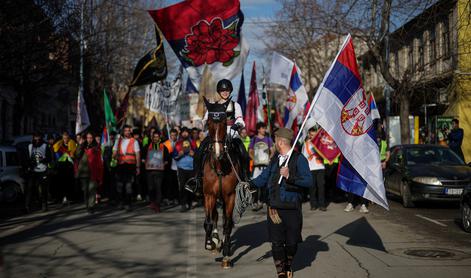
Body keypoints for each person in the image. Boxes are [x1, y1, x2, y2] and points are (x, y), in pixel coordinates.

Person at [250, 128, 311, 278]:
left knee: (291, 243)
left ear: (281, 141)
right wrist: (248, 184)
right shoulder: (274, 159)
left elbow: (309, 181)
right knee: (276, 242)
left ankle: (288, 263)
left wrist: (290, 176)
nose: (275, 143)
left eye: (276, 140)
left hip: (292, 208)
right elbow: (263, 178)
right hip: (274, 208)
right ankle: (281, 272)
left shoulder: (299, 159)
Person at [194, 79, 250, 188]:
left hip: (231, 135)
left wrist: (236, 126)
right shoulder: (212, 106)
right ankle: (196, 178)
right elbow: (205, 120)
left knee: (244, 153)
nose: (225, 92)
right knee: (199, 152)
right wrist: (204, 124)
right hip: (215, 136)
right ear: (219, 92)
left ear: (230, 91)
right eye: (222, 90)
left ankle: (246, 178)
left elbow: (240, 120)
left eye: (227, 90)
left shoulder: (235, 105)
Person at [113, 125, 141, 211]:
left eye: (129, 130)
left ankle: (128, 204)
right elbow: (114, 153)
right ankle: (121, 202)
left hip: (130, 166)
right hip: (120, 165)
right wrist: (114, 154)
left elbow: (137, 155)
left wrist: (138, 167)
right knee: (120, 186)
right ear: (123, 131)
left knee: (128, 186)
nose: (127, 132)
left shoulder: (134, 141)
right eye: (126, 130)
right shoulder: (118, 141)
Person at [75, 131, 103, 213]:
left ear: (93, 138)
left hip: (93, 171)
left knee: (92, 189)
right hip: (84, 171)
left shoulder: (96, 147)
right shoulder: (82, 146)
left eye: (90, 138)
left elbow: (98, 160)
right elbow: (77, 155)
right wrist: (80, 145)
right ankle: (87, 204)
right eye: (87, 138)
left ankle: (91, 206)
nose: (89, 139)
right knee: (85, 190)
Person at [249, 122, 275, 211]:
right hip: (257, 166)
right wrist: (254, 159)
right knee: (255, 183)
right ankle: (255, 201)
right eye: (263, 128)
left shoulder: (268, 139)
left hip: (265, 165)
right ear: (258, 129)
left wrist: (269, 158)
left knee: (265, 183)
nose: (264, 130)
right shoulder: (254, 139)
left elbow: (272, 151)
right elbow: (250, 151)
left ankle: (262, 200)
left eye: (265, 128)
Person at [25, 132, 53, 213]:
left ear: (41, 137)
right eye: (35, 137)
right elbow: (27, 158)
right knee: (30, 188)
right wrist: (29, 164)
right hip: (33, 171)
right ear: (33, 138)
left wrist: (42, 160)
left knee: (43, 189)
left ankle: (44, 205)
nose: (37, 139)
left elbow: (49, 158)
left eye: (38, 137)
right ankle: (28, 206)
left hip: (43, 170)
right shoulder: (30, 146)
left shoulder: (45, 146)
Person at [143, 131, 170, 213]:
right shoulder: (147, 146)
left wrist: (164, 163)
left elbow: (167, 159)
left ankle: (157, 205)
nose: (155, 138)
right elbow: (143, 157)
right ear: (152, 138)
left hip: (159, 171)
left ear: (159, 138)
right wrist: (144, 161)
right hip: (149, 171)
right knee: (151, 188)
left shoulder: (164, 147)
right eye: (154, 137)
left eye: (157, 137)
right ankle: (152, 202)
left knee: (158, 188)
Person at [302, 127, 326, 211]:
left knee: (321, 187)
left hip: (320, 167)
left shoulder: (321, 142)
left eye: (314, 135)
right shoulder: (306, 144)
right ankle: (313, 204)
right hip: (311, 168)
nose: (312, 137)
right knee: (312, 187)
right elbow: (304, 157)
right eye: (311, 135)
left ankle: (322, 205)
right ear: (308, 135)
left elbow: (326, 153)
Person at [174, 127, 196, 212]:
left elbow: (197, 154)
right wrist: (179, 154)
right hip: (182, 168)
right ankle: (183, 204)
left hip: (191, 167)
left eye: (186, 132)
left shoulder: (193, 142)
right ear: (181, 133)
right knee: (182, 186)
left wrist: (193, 154)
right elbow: (174, 156)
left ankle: (190, 202)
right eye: (183, 132)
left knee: (190, 186)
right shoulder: (178, 143)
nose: (185, 134)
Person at [53, 131, 77, 206]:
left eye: (66, 138)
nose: (65, 139)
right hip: (61, 167)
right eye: (64, 138)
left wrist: (70, 155)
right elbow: (56, 152)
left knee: (69, 183)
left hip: (69, 167)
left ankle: (69, 198)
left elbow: (73, 155)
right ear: (62, 138)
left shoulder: (72, 143)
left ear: (68, 137)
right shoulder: (59, 145)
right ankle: (63, 198)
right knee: (62, 183)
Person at [163, 128, 180, 205]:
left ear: (177, 135)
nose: (173, 137)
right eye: (172, 135)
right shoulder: (166, 144)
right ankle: (169, 198)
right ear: (170, 135)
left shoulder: (179, 143)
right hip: (169, 167)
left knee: (176, 183)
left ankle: (176, 198)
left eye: (175, 135)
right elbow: (164, 155)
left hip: (178, 166)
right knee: (169, 183)